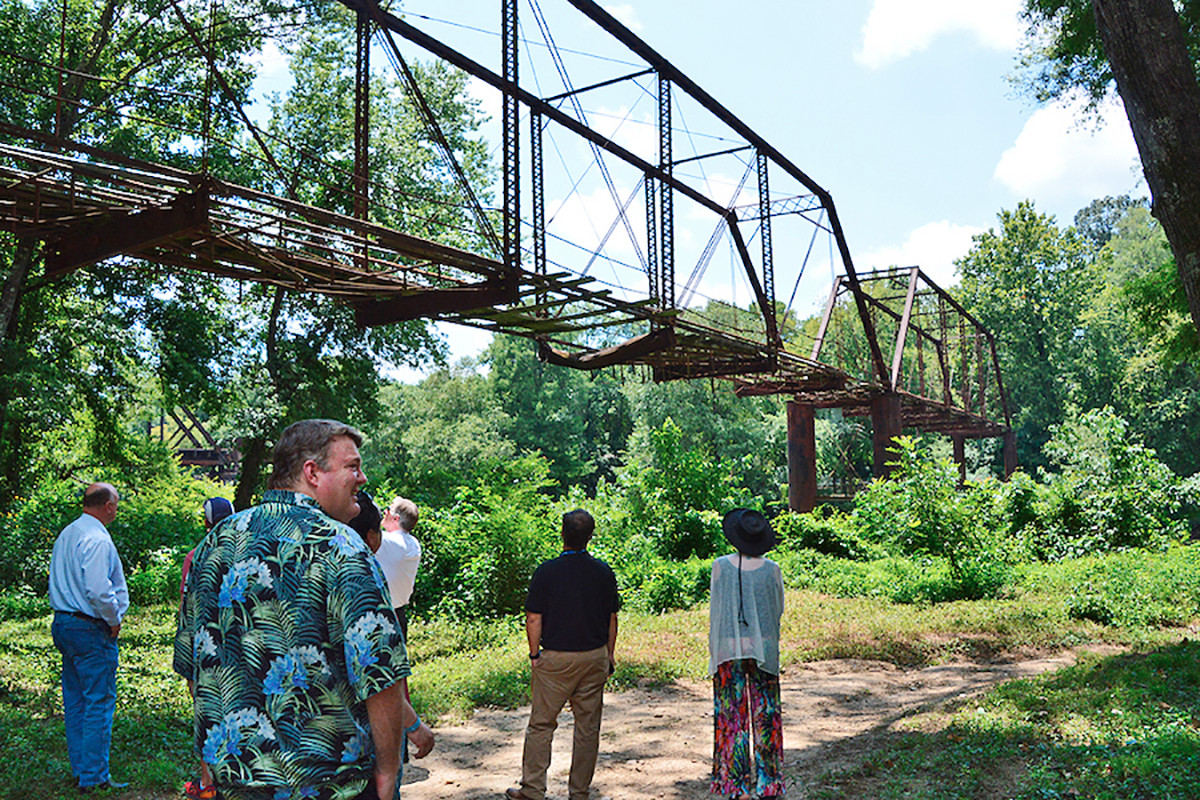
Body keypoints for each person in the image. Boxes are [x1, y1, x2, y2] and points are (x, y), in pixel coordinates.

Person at [174, 419, 433, 800]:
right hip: (332, 785)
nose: (361, 478)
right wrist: (388, 770)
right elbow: (380, 674)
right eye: (352, 466)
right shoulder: (342, 547)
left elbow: (194, 664)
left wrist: (216, 764)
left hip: (237, 783)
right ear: (312, 473)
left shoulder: (214, 544)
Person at [507, 509, 620, 800]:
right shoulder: (604, 572)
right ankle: (579, 792)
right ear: (590, 537)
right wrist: (609, 655)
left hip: (556, 659)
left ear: (562, 534)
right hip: (594, 656)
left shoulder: (546, 572)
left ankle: (533, 789)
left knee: (542, 725)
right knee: (587, 728)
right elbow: (612, 618)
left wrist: (534, 655)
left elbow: (534, 617)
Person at [48, 482, 129, 793]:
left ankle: (82, 770)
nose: (117, 509)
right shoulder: (96, 538)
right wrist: (113, 619)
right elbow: (97, 589)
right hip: (89, 626)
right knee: (98, 701)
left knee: (76, 700)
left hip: (64, 622)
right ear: (107, 505)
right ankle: (94, 776)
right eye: (116, 503)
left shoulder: (68, 533)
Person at [708, 509, 785, 800]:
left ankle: (736, 786)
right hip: (763, 648)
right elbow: (777, 608)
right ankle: (769, 784)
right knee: (766, 715)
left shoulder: (720, 566)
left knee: (732, 718)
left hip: (728, 649)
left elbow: (718, 609)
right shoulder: (772, 569)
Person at [180, 497, 235, 800]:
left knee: (206, 712)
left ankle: (207, 783)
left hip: (204, 647)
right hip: (236, 647)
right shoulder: (245, 550)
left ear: (205, 523)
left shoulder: (197, 555)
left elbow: (186, 607)